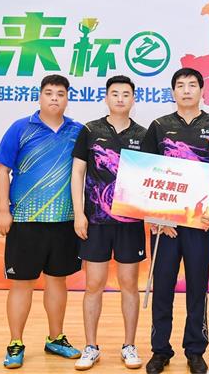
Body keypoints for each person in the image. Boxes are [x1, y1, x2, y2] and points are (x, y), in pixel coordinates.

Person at [140, 67, 209, 374]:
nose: (187, 90)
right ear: (173, 92)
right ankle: (160, 350)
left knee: (197, 287)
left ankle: (195, 350)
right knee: (163, 287)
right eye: (181, 85)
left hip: (200, 222)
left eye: (193, 85)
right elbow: (147, 173)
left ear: (203, 90)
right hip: (164, 225)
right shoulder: (159, 126)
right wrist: (157, 216)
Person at [0, 74, 84, 369]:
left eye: (60, 93)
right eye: (49, 92)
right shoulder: (20, 128)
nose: (54, 98)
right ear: (40, 96)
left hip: (64, 221)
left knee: (58, 281)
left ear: (67, 98)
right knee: (22, 284)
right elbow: (1, 170)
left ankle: (55, 338)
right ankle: (16, 342)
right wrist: (3, 210)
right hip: (24, 219)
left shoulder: (78, 131)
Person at [71, 75, 147, 371]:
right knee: (94, 284)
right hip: (96, 222)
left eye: (126, 94)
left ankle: (129, 345)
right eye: (114, 93)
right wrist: (79, 213)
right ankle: (91, 346)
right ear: (106, 97)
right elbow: (78, 173)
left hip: (130, 222)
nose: (120, 99)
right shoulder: (90, 130)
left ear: (133, 99)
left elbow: (152, 178)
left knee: (129, 284)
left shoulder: (143, 134)